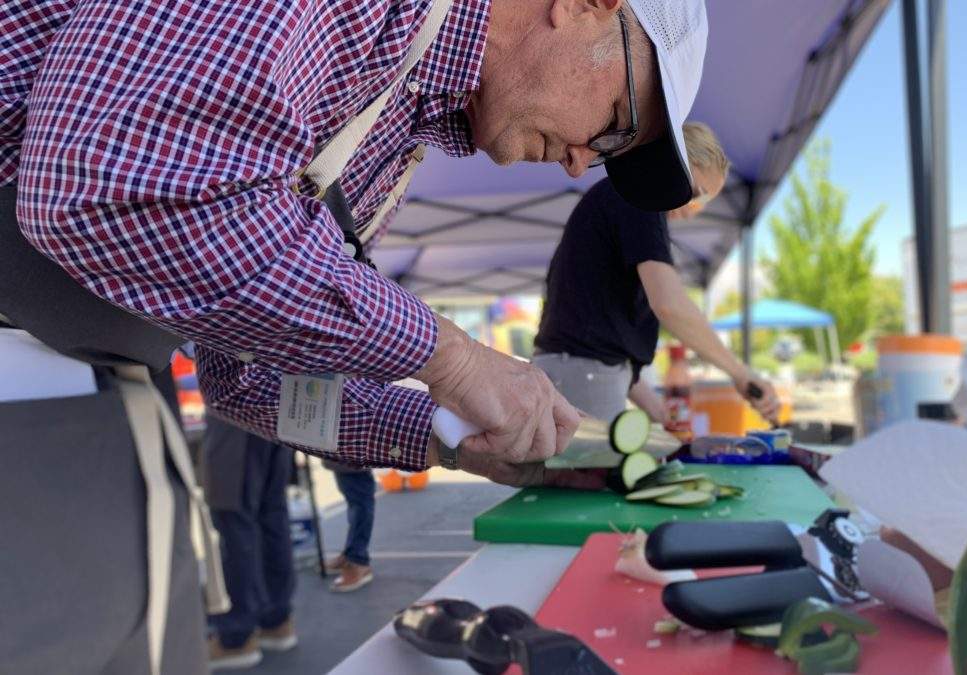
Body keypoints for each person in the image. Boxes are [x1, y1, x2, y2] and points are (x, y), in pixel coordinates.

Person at [1, 1, 709, 671]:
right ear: (587, 4)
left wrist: (450, 435)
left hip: (97, 417)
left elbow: (247, 378)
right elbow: (108, 183)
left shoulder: (391, 135)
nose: (583, 163)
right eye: (616, 121)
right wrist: (453, 359)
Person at [534, 122, 782, 425]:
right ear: (676, 161)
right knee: (590, 473)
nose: (696, 209)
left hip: (574, 370)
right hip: (580, 372)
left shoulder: (623, 199)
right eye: (699, 193)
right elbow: (669, 304)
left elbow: (604, 333)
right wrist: (741, 374)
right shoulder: (641, 199)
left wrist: (654, 408)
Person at [200, 414, 298, 670]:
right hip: (278, 404)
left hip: (236, 405)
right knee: (271, 513)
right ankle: (275, 620)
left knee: (234, 517)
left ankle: (236, 636)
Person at [323, 461, 379, 593]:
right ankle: (351, 553)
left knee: (360, 502)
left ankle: (358, 560)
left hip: (353, 450)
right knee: (354, 500)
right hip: (340, 452)